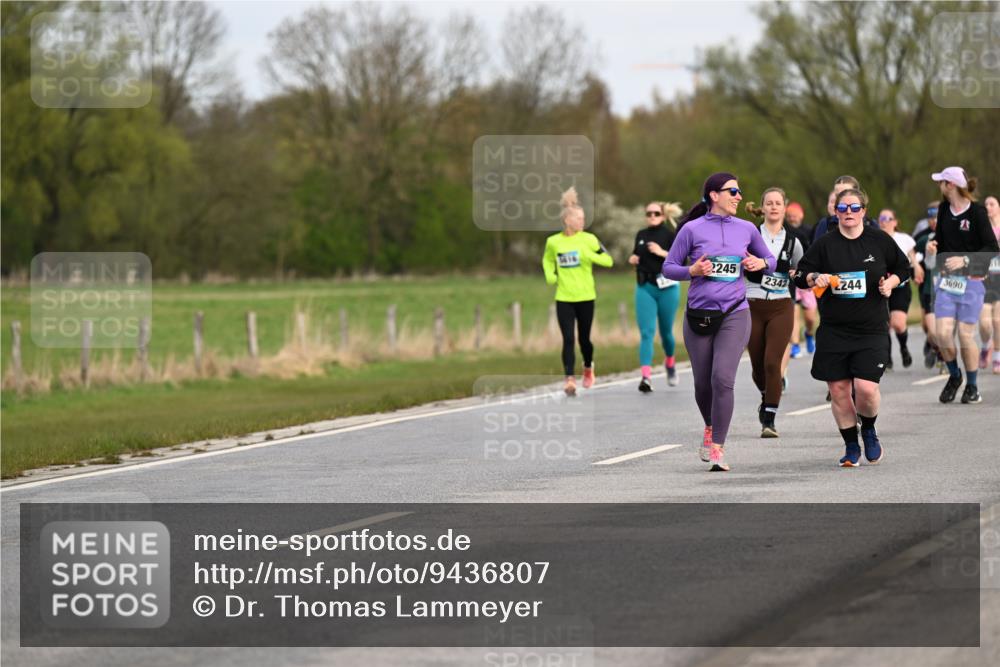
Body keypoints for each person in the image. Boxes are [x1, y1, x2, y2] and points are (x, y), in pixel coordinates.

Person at [662, 172, 776, 472]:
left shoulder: (748, 229)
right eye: (733, 191)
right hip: (699, 315)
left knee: (722, 378)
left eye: (739, 191)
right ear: (714, 195)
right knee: (702, 384)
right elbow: (668, 267)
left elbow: (771, 260)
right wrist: (693, 271)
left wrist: (761, 263)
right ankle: (710, 426)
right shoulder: (691, 230)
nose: (739, 197)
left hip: (735, 312)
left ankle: (718, 448)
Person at [794, 188, 911, 467]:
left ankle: (868, 428)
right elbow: (799, 275)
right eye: (843, 208)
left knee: (866, 389)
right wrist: (814, 277)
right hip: (835, 329)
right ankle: (850, 445)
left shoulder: (878, 240)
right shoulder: (825, 244)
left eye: (854, 208)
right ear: (835, 212)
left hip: (871, 328)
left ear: (863, 211)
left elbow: (903, 268)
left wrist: (890, 283)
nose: (848, 213)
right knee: (838, 389)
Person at [927, 167, 999, 404]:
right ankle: (955, 375)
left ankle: (972, 386)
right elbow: (941, 239)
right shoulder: (945, 210)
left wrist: (966, 259)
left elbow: (991, 248)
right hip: (948, 281)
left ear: (950, 185)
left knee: (966, 336)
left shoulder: (977, 213)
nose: (939, 186)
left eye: (941, 182)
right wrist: (933, 248)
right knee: (941, 334)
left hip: (973, 282)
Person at [542, 186, 614, 396]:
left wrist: (589, 256)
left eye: (583, 218)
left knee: (584, 340)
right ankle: (569, 380)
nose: (583, 222)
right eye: (579, 219)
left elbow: (608, 260)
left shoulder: (589, 239)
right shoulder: (553, 242)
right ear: (567, 220)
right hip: (564, 297)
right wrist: (550, 275)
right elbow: (547, 260)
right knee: (568, 339)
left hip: (586, 297)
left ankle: (588, 367)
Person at [744, 189, 803, 437]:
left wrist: (795, 274)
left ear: (784, 207)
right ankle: (766, 395)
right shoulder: (749, 235)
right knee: (758, 367)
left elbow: (802, 270)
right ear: (763, 208)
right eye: (769, 203)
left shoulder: (793, 241)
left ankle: (769, 418)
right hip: (752, 304)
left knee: (772, 363)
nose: (774, 207)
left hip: (781, 305)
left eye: (778, 203)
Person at [629, 201, 683, 392]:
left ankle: (669, 361)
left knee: (666, 333)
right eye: (649, 213)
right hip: (645, 287)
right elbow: (636, 255)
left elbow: (681, 260)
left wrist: (661, 253)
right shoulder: (641, 235)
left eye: (656, 213)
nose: (652, 216)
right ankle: (646, 377)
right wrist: (633, 259)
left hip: (667, 288)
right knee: (646, 332)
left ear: (663, 215)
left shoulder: (670, 235)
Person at [877, 208, 924, 369]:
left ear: (895, 222)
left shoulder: (904, 239)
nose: (884, 221)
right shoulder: (874, 238)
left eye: (888, 218)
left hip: (900, 287)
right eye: (881, 218)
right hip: (880, 286)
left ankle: (903, 347)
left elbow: (913, 258)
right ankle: (887, 357)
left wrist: (917, 268)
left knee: (897, 323)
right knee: (884, 323)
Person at [786, 201, 817, 358]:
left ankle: (809, 333)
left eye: (795, 216)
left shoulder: (808, 231)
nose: (792, 219)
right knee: (793, 313)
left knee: (810, 317)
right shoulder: (783, 231)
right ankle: (795, 344)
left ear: (801, 215)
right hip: (790, 279)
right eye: (789, 216)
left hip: (807, 278)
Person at [913, 202, 942, 369]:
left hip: (948, 288)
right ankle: (933, 344)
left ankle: (942, 356)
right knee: (929, 328)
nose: (934, 221)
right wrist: (915, 271)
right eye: (930, 217)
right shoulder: (923, 237)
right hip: (928, 287)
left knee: (943, 327)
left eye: (937, 217)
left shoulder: (953, 234)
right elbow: (910, 254)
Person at [812, 175, 879, 242]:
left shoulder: (871, 224)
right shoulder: (826, 224)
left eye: (845, 192)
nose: (841, 197)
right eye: (837, 195)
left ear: (857, 193)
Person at [978, 195, 1000, 373]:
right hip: (985, 280)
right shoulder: (981, 230)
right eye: (986, 205)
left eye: (992, 204)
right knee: (985, 324)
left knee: (997, 321)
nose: (988, 207)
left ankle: (997, 357)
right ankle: (985, 346)